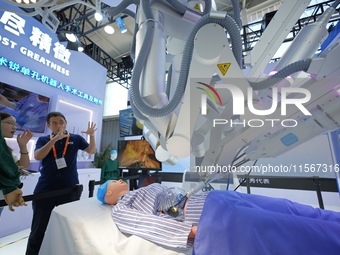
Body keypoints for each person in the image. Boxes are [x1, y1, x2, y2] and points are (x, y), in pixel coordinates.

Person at [26, 111, 97, 255]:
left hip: (69, 189)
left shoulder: (75, 138)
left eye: (61, 122)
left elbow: (91, 150)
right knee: (39, 228)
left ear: (66, 123)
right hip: (45, 190)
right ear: (48, 125)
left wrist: (92, 135)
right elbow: (38, 155)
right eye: (54, 123)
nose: (59, 125)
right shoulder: (44, 139)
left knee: (68, 227)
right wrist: (54, 139)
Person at [97, 180, 206, 250]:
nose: (120, 180)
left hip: (200, 198)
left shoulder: (145, 188)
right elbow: (146, 223)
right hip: (194, 212)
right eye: (114, 181)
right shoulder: (120, 208)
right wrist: (190, 231)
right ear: (108, 193)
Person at [0, 112, 32, 216]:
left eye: (15, 124)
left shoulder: (5, 147)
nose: (14, 127)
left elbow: (24, 164)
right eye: (10, 123)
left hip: (4, 195)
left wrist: (23, 145)